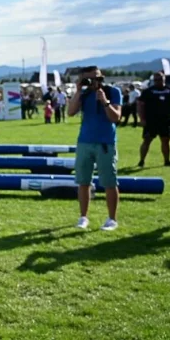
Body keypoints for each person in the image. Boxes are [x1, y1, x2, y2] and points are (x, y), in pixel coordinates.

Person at [67, 66, 122, 231]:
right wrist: (78, 91)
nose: (93, 82)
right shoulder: (84, 94)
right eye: (89, 79)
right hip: (84, 141)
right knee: (83, 182)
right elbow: (70, 112)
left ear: (102, 78)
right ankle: (83, 217)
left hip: (105, 142)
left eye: (96, 78)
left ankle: (112, 219)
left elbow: (116, 117)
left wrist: (105, 102)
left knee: (109, 182)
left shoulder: (113, 92)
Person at [137, 71, 170, 168]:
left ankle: (167, 161)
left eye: (160, 79)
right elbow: (140, 105)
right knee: (147, 141)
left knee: (165, 141)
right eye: (155, 80)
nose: (158, 81)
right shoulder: (148, 91)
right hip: (150, 121)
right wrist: (142, 118)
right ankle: (141, 161)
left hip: (165, 121)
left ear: (164, 79)